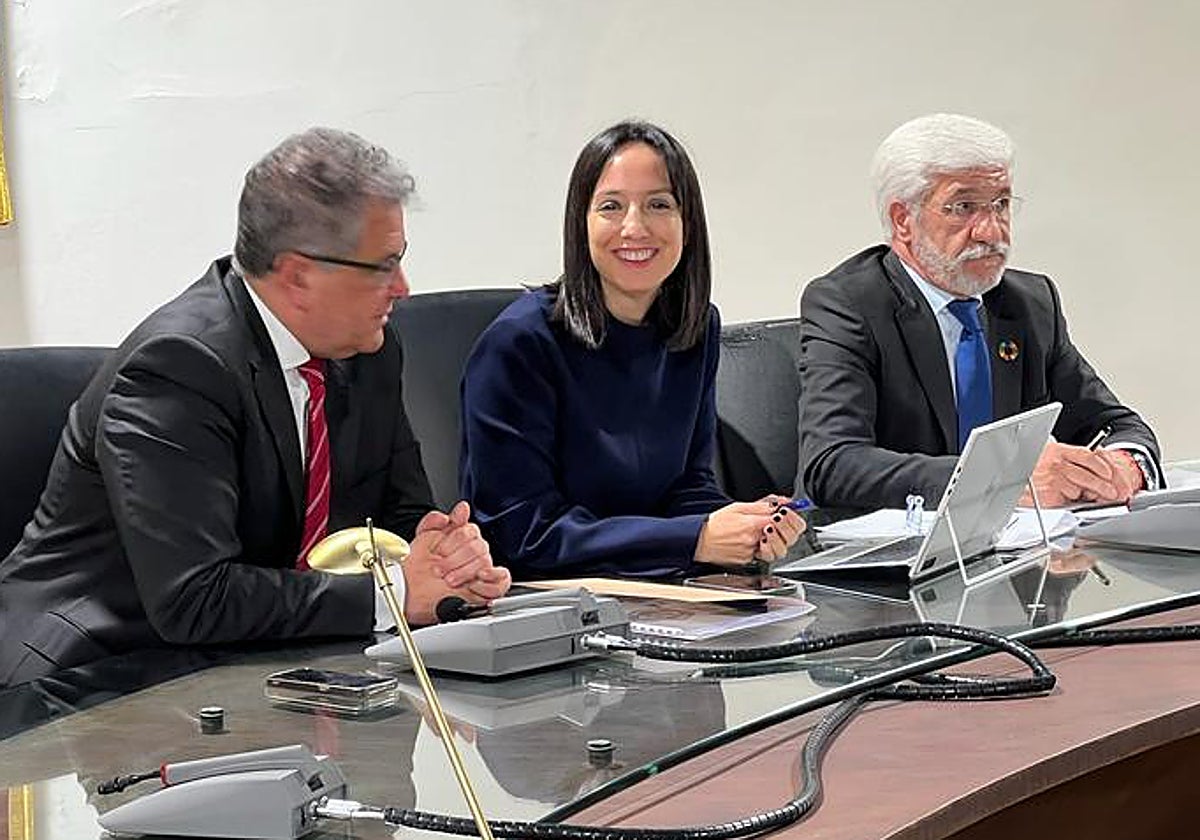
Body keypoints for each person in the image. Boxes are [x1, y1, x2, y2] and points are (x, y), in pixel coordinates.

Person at [0, 128, 511, 687]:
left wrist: (445, 558)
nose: (404, 288)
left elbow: (397, 517)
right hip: (95, 674)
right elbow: (194, 597)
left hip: (258, 658)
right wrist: (399, 595)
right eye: (383, 266)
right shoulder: (178, 368)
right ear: (297, 274)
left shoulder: (367, 349)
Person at [460, 120, 804, 580]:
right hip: (552, 604)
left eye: (659, 204)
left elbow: (687, 487)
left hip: (663, 590)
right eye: (611, 207)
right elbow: (522, 533)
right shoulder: (519, 343)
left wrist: (743, 527)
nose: (634, 227)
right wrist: (695, 537)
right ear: (581, 224)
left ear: (688, 222)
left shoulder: (696, 326)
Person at [798, 113, 1161, 512]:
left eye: (1001, 204)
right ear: (903, 220)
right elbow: (832, 465)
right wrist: (996, 481)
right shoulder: (848, 303)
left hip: (1016, 556)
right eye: (963, 207)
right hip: (892, 560)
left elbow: (1115, 424)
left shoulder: (1029, 302)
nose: (991, 231)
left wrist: (1126, 466)